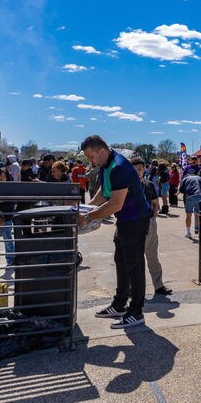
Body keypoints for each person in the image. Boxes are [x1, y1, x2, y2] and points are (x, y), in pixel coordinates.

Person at [79, 135, 152, 329]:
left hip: (135, 221)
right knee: (121, 261)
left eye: (91, 156)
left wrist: (88, 218)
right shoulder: (105, 166)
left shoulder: (119, 167)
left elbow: (115, 203)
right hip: (125, 221)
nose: (90, 161)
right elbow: (104, 192)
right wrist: (87, 207)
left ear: (101, 151)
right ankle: (119, 304)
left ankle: (136, 312)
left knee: (134, 266)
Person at [131, 157, 172, 296]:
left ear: (144, 169)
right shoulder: (125, 186)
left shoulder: (148, 185)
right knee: (134, 260)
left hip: (148, 224)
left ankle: (159, 286)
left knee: (152, 257)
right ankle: (133, 288)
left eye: (140, 169)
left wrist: (154, 218)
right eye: (134, 170)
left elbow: (155, 202)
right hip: (132, 226)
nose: (137, 172)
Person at [0, 168, 16, 270]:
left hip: (7, 217)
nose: (2, 178)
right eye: (0, 176)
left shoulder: (10, 188)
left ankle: (10, 261)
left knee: (7, 240)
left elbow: (11, 204)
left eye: (4, 176)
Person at [179, 168, 201, 238]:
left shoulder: (185, 178)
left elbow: (181, 190)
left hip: (189, 197)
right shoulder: (199, 177)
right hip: (199, 196)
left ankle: (188, 233)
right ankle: (200, 231)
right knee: (199, 215)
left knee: (188, 216)